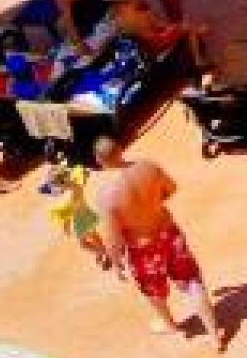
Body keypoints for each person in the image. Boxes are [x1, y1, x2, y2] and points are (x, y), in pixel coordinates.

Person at [88, 139, 223, 344]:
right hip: (169, 232)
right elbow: (172, 188)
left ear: (99, 162)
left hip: (143, 248)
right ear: (120, 149)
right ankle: (214, 332)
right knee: (190, 280)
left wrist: (115, 263)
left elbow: (113, 237)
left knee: (152, 288)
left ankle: (169, 325)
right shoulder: (148, 166)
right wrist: (151, 204)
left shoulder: (105, 196)